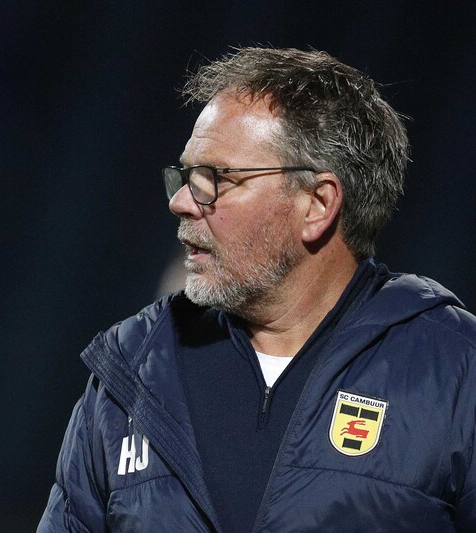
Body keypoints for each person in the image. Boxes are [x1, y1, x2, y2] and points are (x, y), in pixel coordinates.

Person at [37, 47, 476, 532]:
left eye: (215, 178)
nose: (181, 202)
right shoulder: (129, 371)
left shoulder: (456, 371)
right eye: (185, 177)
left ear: (317, 204)